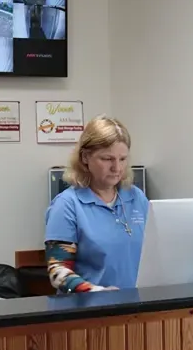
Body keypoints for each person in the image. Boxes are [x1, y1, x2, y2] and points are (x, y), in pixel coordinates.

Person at [44, 115, 149, 293]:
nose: (117, 167)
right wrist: (95, 292)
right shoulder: (67, 204)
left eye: (122, 159)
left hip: (136, 308)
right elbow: (58, 271)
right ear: (85, 157)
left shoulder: (136, 197)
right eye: (107, 159)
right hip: (89, 311)